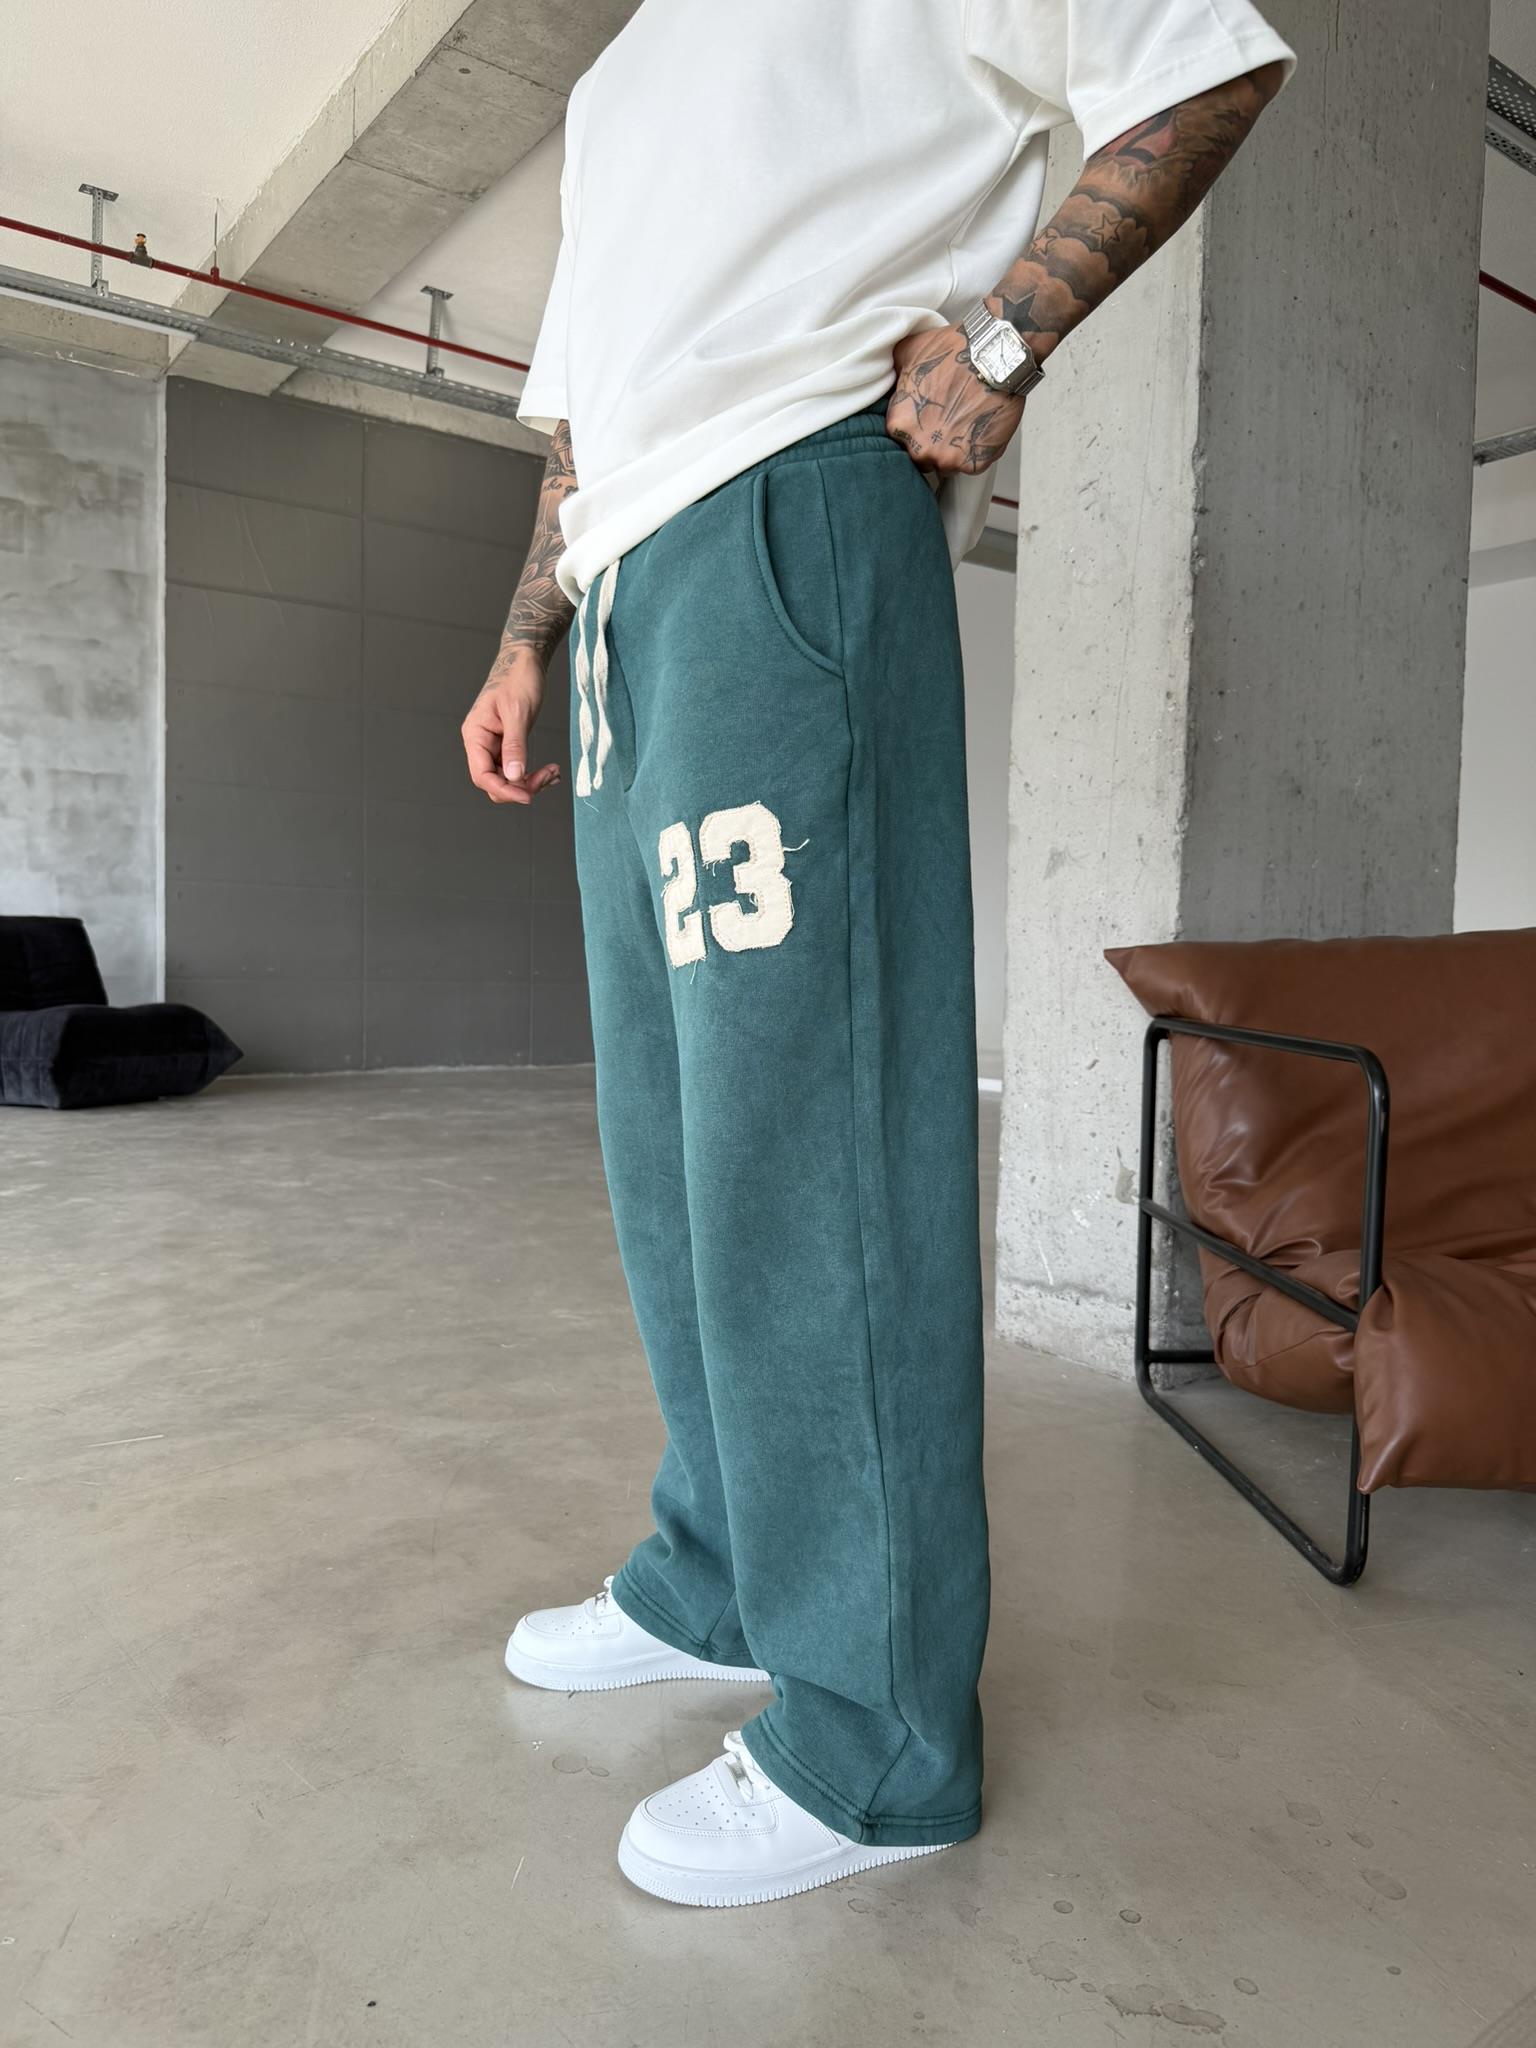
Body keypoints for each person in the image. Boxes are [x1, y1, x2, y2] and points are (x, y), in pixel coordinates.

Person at [461, 0, 1294, 1910]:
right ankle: (721, 1575)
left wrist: (1004, 342)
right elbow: (583, 406)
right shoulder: (615, 78)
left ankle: (880, 1735)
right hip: (627, 593)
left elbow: (1207, 62)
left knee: (808, 1141)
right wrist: (527, 635)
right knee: (675, 1147)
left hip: (793, 507)